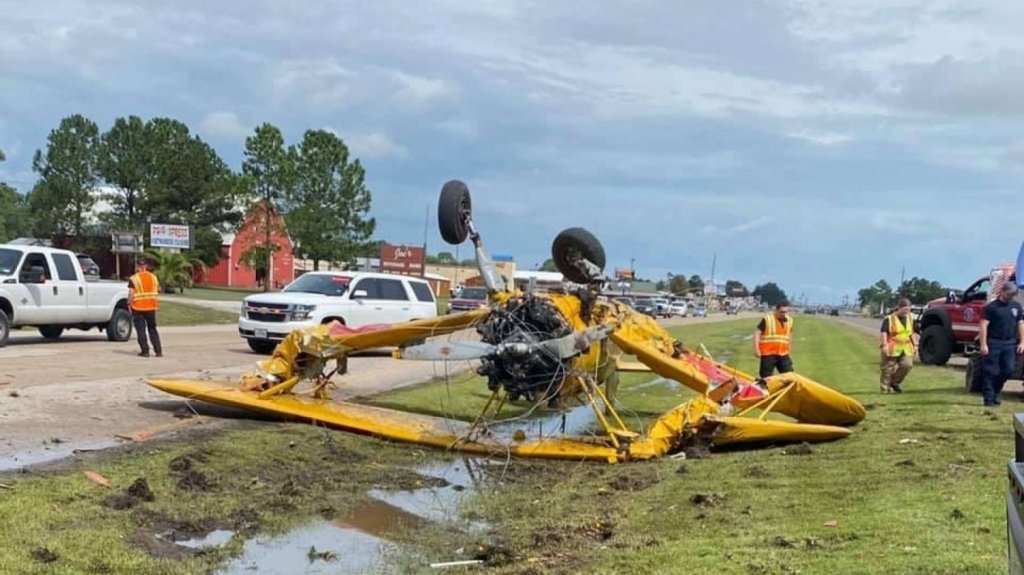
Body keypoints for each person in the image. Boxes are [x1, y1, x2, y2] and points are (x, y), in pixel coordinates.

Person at [979, 282, 1024, 406]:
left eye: (1013, 294)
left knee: (1009, 370)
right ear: (1003, 291)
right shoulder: (991, 308)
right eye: (1009, 294)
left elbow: (1020, 324)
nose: (1011, 296)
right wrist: (983, 344)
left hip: (1010, 343)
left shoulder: (1016, 307)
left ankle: (996, 389)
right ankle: (989, 399)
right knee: (990, 371)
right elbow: (983, 325)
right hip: (994, 342)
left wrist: (1022, 342)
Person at [879, 298, 917, 394]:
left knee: (907, 365)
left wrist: (915, 344)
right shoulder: (889, 319)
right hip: (892, 347)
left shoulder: (910, 318)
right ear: (899, 308)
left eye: (908, 310)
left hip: (906, 347)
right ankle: (885, 388)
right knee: (888, 369)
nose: (906, 312)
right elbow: (884, 332)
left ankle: (895, 382)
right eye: (905, 310)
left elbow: (912, 332)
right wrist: (884, 346)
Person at [128, 259, 163, 358]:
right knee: (152, 329)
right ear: (146, 266)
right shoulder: (153, 277)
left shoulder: (134, 279)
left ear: (137, 267)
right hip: (151, 306)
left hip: (138, 307)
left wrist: (129, 303)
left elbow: (131, 293)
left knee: (141, 330)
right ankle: (158, 351)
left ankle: (145, 351)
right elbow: (158, 289)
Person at [754, 301, 793, 378]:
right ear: (776, 310)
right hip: (768, 354)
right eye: (781, 312)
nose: (784, 314)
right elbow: (757, 333)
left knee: (790, 376)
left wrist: (789, 349)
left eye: (786, 312)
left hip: (783, 353)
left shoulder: (790, 320)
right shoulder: (768, 319)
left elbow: (789, 335)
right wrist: (757, 350)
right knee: (766, 378)